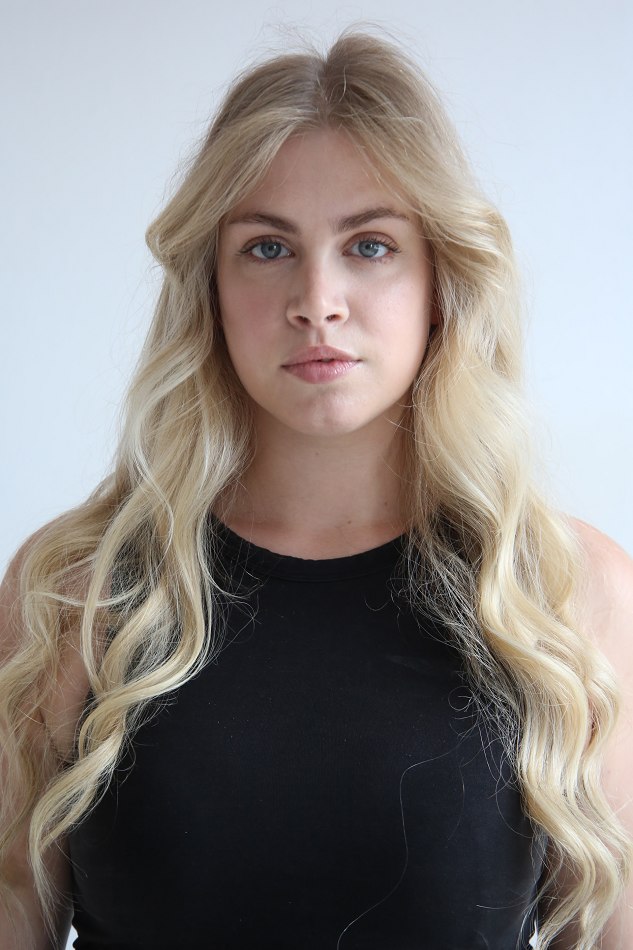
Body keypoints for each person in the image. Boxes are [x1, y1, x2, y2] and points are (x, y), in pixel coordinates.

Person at [1, 29, 631, 950]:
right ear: (210, 287)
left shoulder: (564, 590)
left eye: (370, 245)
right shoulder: (77, 588)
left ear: (440, 283)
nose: (317, 300)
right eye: (267, 248)